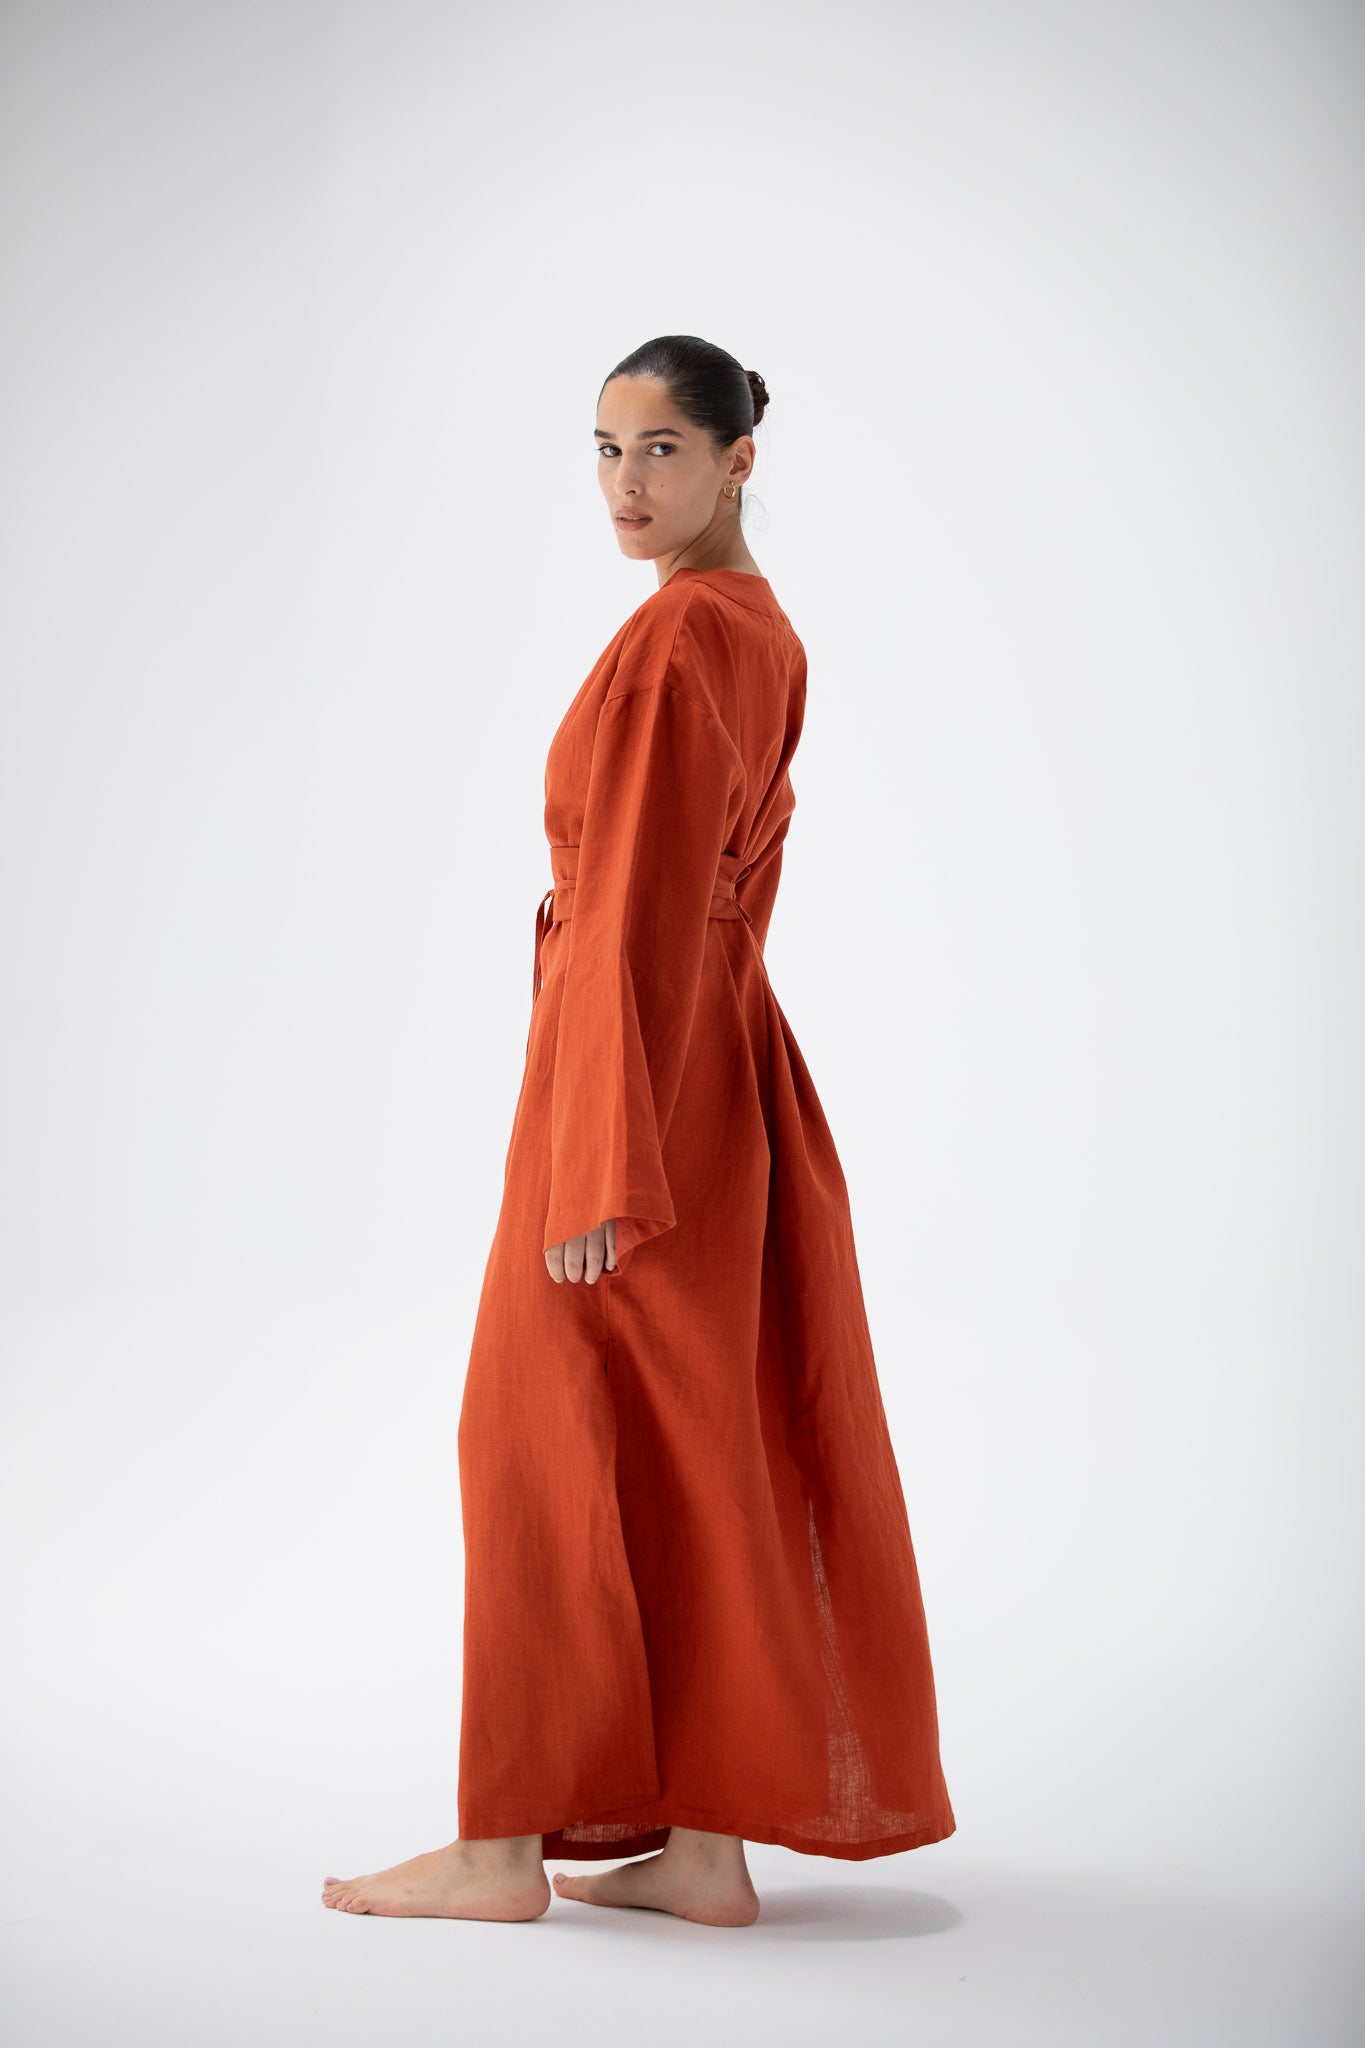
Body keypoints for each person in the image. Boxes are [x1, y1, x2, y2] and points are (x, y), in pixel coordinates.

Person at [322, 335, 956, 1928]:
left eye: (661, 449)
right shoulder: (759, 626)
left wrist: (601, 1150)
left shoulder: (679, 640)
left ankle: (501, 1852)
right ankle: (703, 1849)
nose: (624, 483)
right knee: (693, 1446)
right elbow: (695, 908)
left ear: (739, 459)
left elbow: (634, 909)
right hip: (717, 1071)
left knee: (530, 1441)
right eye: (604, 450)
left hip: (634, 1081)